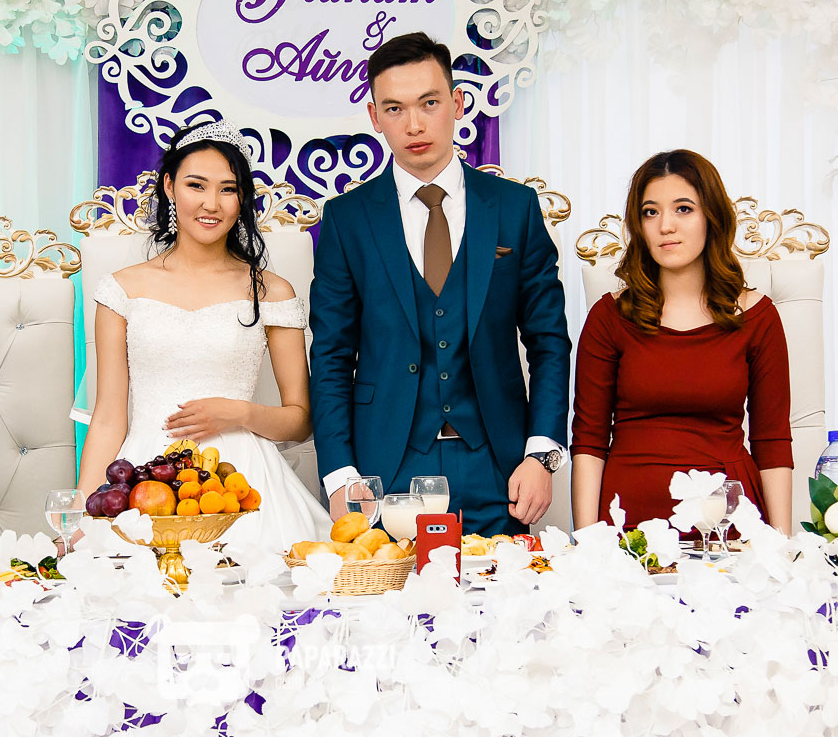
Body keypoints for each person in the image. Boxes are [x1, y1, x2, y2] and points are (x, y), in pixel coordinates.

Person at [309, 32, 572, 535]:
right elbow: (331, 355)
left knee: (503, 586)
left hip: (498, 464)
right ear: (375, 117)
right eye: (394, 108)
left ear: (457, 103)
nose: (414, 124)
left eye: (429, 103)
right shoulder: (347, 219)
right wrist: (340, 475)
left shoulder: (514, 208)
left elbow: (549, 341)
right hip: (384, 469)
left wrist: (542, 454)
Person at [77, 120, 331, 551]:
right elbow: (107, 419)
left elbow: (301, 419)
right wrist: (83, 514)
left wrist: (239, 413)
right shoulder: (122, 289)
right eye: (196, 185)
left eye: (228, 189)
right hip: (143, 477)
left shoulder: (272, 292)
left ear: (242, 198)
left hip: (241, 480)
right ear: (169, 186)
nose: (211, 204)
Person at [570, 149, 793, 532]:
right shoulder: (608, 318)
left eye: (683, 209)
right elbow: (589, 443)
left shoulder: (758, 317)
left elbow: (772, 442)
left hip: (728, 524)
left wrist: (782, 546)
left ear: (712, 217)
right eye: (650, 212)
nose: (665, 226)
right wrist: (586, 543)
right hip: (627, 526)